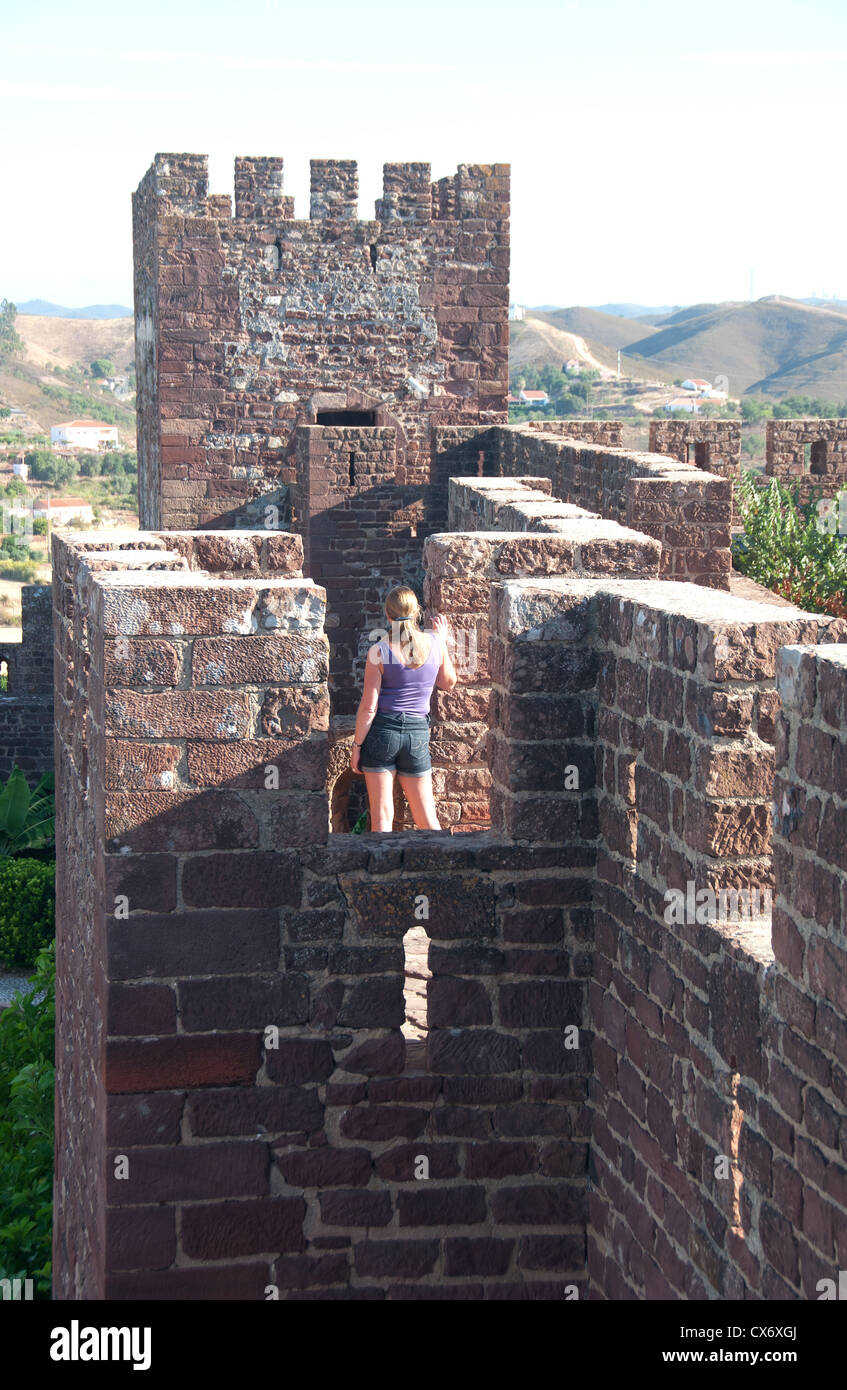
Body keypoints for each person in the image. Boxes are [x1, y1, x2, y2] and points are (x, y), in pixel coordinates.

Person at [350, 585, 457, 831]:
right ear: (416, 611)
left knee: (382, 818)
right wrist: (442, 642)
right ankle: (444, 866)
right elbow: (448, 682)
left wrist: (357, 747)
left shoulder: (378, 651)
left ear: (387, 616)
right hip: (417, 734)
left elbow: (368, 707)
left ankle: (382, 868)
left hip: (382, 733)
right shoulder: (434, 643)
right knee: (428, 818)